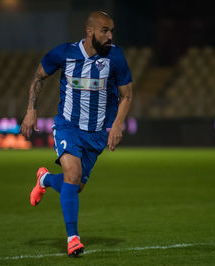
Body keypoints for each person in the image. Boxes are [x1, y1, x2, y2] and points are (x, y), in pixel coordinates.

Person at [20, 11, 133, 257]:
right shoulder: (64, 53)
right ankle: (73, 239)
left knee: (75, 186)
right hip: (68, 126)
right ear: (90, 31)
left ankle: (45, 180)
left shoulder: (116, 57)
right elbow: (39, 77)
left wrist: (117, 125)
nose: (110, 36)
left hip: (96, 134)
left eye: (112, 30)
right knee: (72, 175)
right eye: (105, 30)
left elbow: (127, 95)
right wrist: (31, 110)